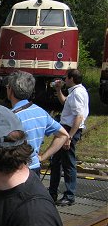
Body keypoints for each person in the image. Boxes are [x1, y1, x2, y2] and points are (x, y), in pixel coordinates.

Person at [5, 70, 69, 176]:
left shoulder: (10, 117)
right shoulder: (41, 112)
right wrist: (42, 157)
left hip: (15, 171)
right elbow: (63, 135)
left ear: (10, 90)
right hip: (34, 168)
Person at [49, 69, 89, 206]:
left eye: (66, 78)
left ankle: (69, 195)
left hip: (69, 130)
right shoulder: (76, 91)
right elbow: (65, 102)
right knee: (56, 161)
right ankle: (52, 192)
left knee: (68, 163)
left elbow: (79, 116)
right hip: (66, 128)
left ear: (71, 78)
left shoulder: (77, 93)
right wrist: (59, 90)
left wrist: (69, 137)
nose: (64, 80)